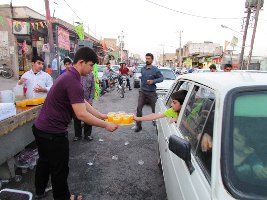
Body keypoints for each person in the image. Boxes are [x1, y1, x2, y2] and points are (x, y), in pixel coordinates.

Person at [32, 47, 119, 200]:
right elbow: (81, 114)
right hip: (54, 133)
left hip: (40, 128)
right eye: (91, 65)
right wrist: (106, 125)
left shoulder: (69, 76)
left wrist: (101, 115)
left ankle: (39, 191)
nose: (92, 69)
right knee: (59, 169)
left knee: (44, 161)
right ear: (81, 62)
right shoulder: (73, 80)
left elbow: (82, 102)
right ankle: (65, 197)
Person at [134, 53, 164, 132]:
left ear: (152, 60)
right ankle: (138, 126)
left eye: (149, 59)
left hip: (151, 93)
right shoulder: (143, 69)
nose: (147, 60)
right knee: (139, 108)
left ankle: (156, 124)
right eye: (146, 58)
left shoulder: (155, 69)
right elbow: (143, 77)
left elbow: (161, 78)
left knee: (155, 110)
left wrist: (153, 81)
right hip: (143, 92)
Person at [73, 72, 95, 141]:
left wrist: (91, 99)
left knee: (88, 117)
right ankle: (77, 135)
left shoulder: (91, 75)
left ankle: (87, 135)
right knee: (76, 117)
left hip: (88, 100)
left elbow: (93, 88)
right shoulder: (76, 74)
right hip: (76, 100)